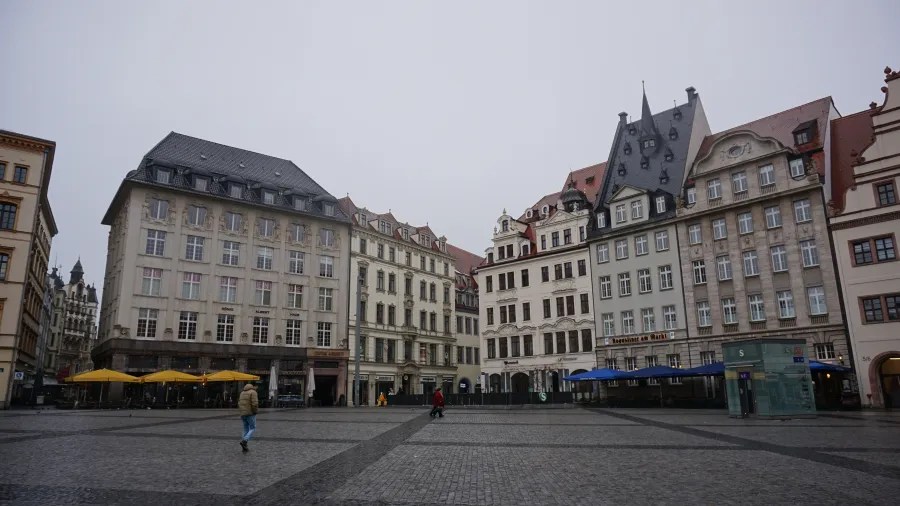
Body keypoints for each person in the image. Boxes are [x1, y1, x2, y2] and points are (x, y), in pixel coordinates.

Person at [238, 383, 259, 452]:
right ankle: (245, 441)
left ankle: (244, 445)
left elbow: (239, 403)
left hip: (243, 413)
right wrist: (255, 411)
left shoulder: (242, 392)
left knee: (245, 428)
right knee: (253, 427)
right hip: (250, 413)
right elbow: (255, 404)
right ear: (252, 387)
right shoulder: (253, 392)